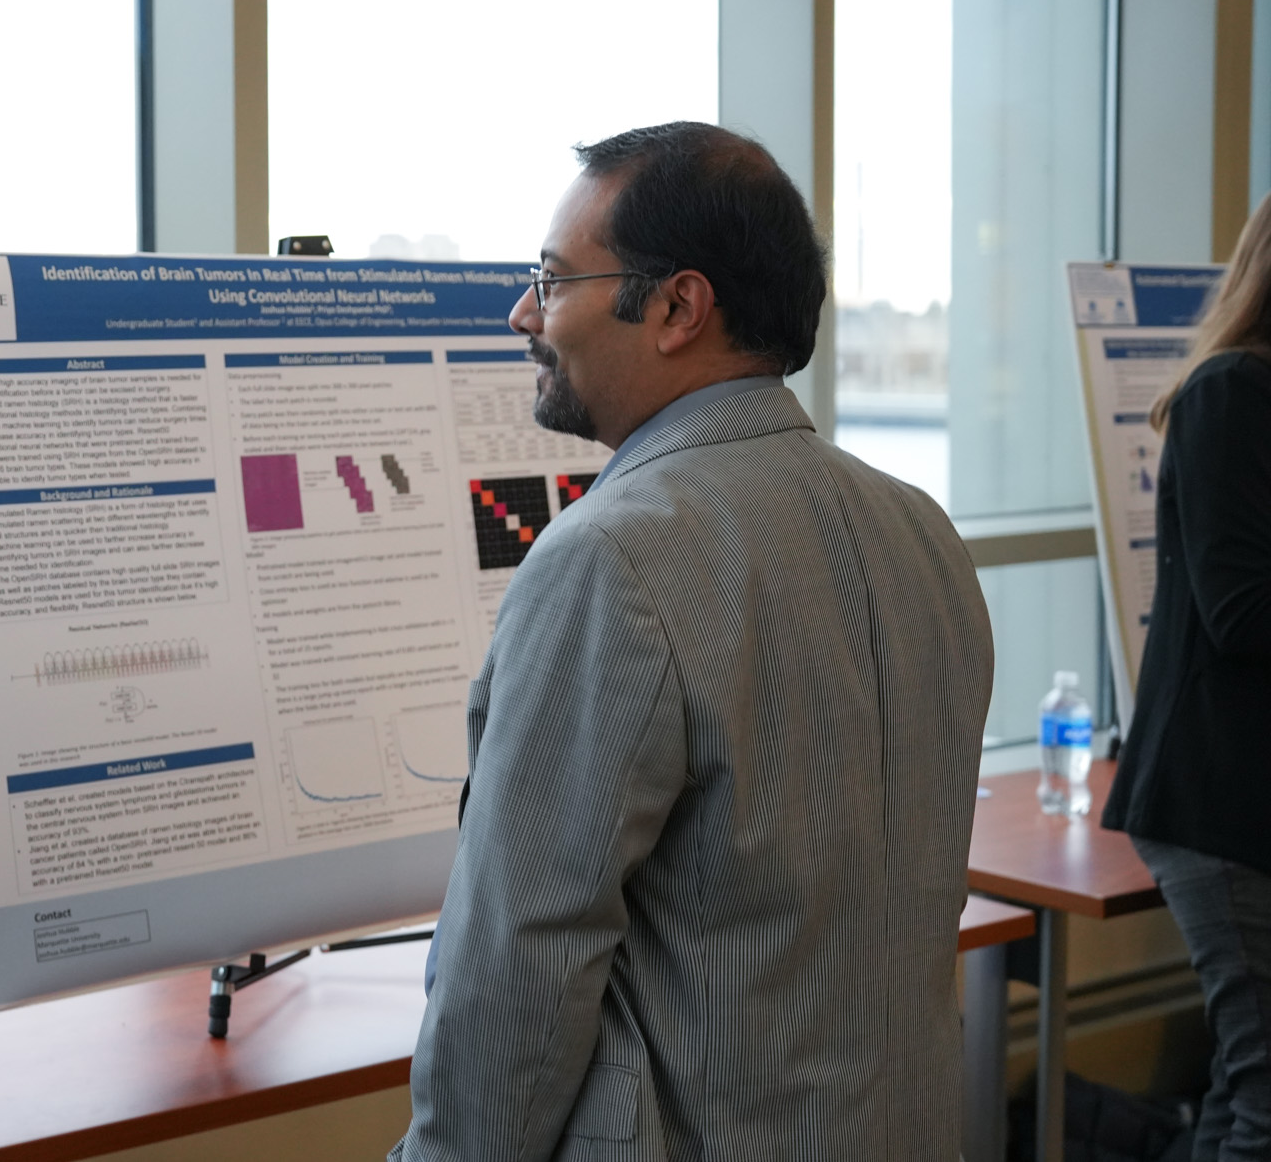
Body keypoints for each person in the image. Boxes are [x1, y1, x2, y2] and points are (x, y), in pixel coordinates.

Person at [392, 122, 994, 1161]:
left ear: (676, 306)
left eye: (551, 278)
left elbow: (519, 965)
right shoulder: (920, 531)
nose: (523, 313)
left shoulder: (609, 562)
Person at [1102, 197, 1271, 1160]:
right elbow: (1242, 612)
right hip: (1216, 794)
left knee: (1243, 1082)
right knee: (1264, 1093)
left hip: (1247, 790)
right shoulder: (1231, 393)